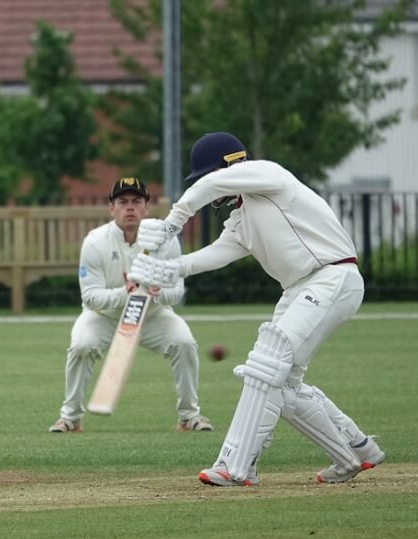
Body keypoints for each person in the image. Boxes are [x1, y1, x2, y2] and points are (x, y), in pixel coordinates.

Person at [130, 132, 384, 485]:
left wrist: (172, 224)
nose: (209, 186)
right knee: (285, 384)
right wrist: (169, 269)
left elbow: (211, 184)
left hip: (332, 276)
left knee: (268, 360)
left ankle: (236, 465)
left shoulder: (269, 175)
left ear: (229, 165)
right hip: (298, 289)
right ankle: (357, 450)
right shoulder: (241, 217)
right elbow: (218, 254)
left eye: (207, 175)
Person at [48, 177, 212, 433]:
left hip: (152, 315)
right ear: (111, 208)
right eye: (122, 202)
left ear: (147, 207)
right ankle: (70, 419)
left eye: (136, 201)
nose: (130, 208)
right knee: (82, 346)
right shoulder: (95, 241)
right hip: (105, 316)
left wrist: (157, 292)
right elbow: (90, 297)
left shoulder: (165, 241)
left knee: (184, 343)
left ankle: (189, 417)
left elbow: (177, 292)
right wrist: (125, 293)